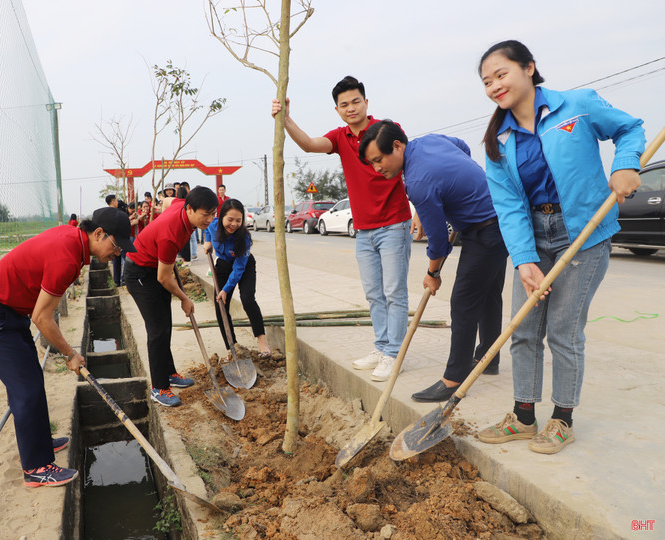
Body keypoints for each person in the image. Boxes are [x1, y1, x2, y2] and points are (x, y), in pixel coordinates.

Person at [475, 40, 644, 454]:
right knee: (523, 329)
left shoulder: (578, 106)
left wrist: (626, 164)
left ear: (529, 68)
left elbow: (630, 128)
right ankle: (523, 417)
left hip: (583, 235)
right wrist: (524, 261)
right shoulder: (498, 140)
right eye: (486, 81)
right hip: (535, 235)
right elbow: (509, 205)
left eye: (501, 74)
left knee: (563, 331)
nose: (495, 85)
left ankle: (562, 419)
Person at [0, 207, 132, 487]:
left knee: (31, 378)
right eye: (116, 246)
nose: (117, 254)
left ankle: (41, 441)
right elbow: (42, 317)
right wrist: (70, 354)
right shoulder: (66, 256)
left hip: (10, 311)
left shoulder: (73, 242)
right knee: (25, 388)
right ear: (99, 233)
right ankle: (36, 468)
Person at [271, 75, 412, 381]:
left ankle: (393, 354)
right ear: (337, 109)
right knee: (375, 293)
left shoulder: (387, 131)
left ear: (366, 102)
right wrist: (286, 119)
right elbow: (309, 145)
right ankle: (381, 347)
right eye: (344, 104)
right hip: (363, 229)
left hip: (393, 224)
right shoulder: (339, 138)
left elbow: (408, 165)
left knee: (394, 292)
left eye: (355, 101)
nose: (351, 108)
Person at [359, 120, 508, 402]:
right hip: (499, 215)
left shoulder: (416, 182)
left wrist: (433, 272)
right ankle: (489, 358)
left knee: (463, 303)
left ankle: (453, 379)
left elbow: (438, 240)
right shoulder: (429, 142)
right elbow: (462, 147)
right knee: (488, 295)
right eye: (372, 163)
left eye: (379, 159)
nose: (377, 168)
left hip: (486, 230)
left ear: (397, 146)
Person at [123, 186, 218, 407]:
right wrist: (185, 298)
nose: (210, 219)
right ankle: (159, 388)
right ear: (190, 209)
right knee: (157, 330)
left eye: (213, 213)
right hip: (140, 273)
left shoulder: (179, 206)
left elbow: (167, 202)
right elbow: (164, 278)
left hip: (154, 267)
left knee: (165, 324)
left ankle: (169, 373)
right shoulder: (170, 234)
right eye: (206, 214)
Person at [203, 198, 271, 356]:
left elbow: (239, 268)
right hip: (223, 265)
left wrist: (226, 289)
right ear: (221, 218)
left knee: (248, 300)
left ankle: (262, 341)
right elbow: (206, 228)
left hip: (244, 266)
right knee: (220, 305)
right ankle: (232, 346)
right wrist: (207, 242)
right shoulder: (213, 225)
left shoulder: (244, 238)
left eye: (238, 220)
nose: (233, 224)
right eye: (230, 219)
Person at [105, 195, 123, 286]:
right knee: (119, 259)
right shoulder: (115, 212)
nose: (117, 203)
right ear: (112, 202)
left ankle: (117, 281)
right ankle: (118, 280)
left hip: (111, 239)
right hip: (116, 238)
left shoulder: (106, 212)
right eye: (116, 201)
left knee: (116, 260)